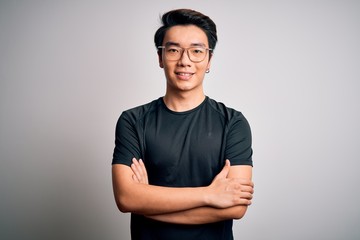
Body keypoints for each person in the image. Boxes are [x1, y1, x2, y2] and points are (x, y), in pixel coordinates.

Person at [112, 8, 254, 240]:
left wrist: (148, 202)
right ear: (160, 57)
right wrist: (209, 195)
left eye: (197, 51)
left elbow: (235, 208)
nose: (184, 61)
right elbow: (127, 198)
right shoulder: (133, 121)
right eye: (174, 50)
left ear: (209, 60)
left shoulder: (234, 123)